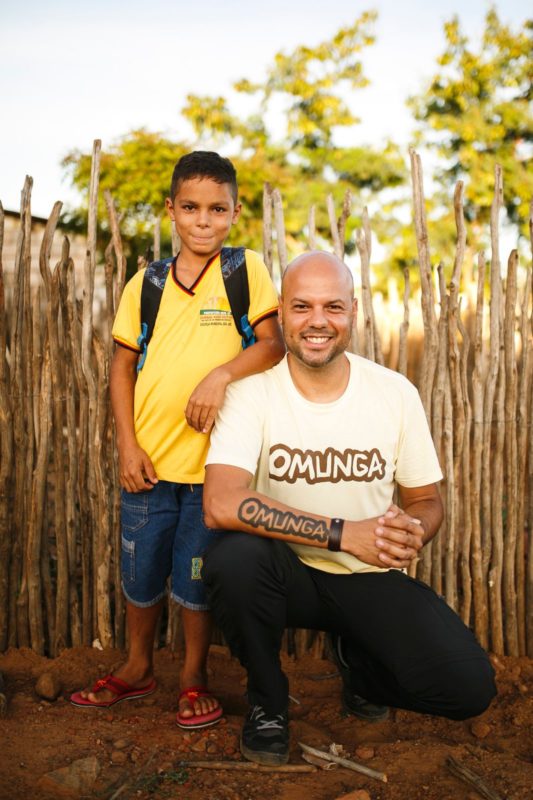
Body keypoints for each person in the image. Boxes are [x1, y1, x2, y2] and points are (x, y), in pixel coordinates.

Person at [202, 251, 496, 765]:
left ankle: (361, 673)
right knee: (231, 559)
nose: (318, 321)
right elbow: (221, 502)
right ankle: (268, 702)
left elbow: (426, 499)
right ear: (282, 314)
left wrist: (414, 529)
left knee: (469, 689)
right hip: (284, 573)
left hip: (368, 576)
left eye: (332, 306)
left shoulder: (393, 393)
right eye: (302, 307)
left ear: (353, 312)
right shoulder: (251, 395)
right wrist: (342, 533)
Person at [70, 151, 285, 728]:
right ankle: (138, 667)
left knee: (194, 578)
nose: (203, 220)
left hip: (214, 472)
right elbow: (121, 368)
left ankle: (193, 675)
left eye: (217, 209)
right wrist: (127, 447)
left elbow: (272, 345)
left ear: (235, 214)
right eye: (190, 208)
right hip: (150, 465)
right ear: (171, 211)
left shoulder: (245, 272)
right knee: (141, 573)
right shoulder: (149, 283)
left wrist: (219, 376)